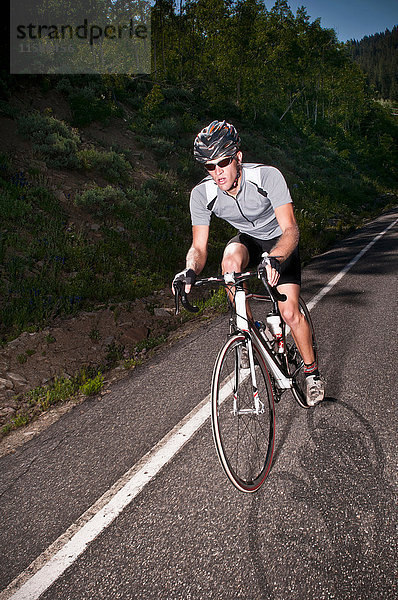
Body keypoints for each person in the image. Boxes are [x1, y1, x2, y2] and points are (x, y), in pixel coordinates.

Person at [173, 120, 325, 406]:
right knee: (229, 263)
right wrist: (190, 269)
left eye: (223, 163)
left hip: (280, 242)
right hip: (249, 240)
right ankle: (248, 332)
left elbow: (291, 230)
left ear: (238, 158)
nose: (217, 173)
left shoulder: (267, 177)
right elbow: (198, 247)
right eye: (209, 167)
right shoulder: (202, 195)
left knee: (290, 313)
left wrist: (277, 258)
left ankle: (312, 372)